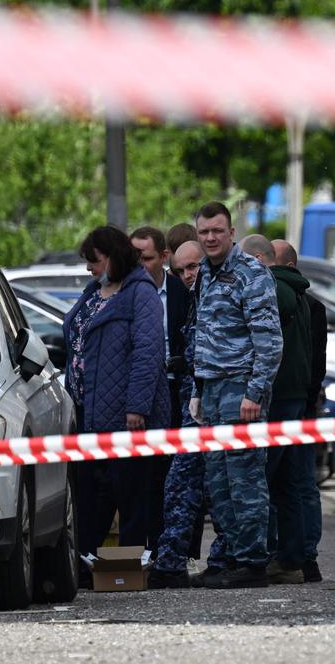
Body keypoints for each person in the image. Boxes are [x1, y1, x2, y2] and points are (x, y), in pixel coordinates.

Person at [63, 226, 170, 560]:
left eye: (93, 260)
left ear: (112, 257)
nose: (88, 268)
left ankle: (130, 566)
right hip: (89, 413)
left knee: (131, 493)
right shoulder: (94, 291)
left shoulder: (141, 293)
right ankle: (87, 564)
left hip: (127, 418)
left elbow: (148, 352)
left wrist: (136, 407)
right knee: (91, 495)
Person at [192, 202, 282, 589]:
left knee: (244, 478)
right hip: (211, 389)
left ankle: (251, 561)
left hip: (241, 389)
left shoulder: (250, 273)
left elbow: (270, 342)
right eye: (204, 232)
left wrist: (255, 393)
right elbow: (203, 334)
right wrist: (197, 391)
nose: (210, 238)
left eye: (217, 230)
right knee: (217, 481)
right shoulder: (205, 276)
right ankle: (230, 556)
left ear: (231, 233)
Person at [148, 239, 228, 589]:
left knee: (215, 485)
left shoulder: (220, 294)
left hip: (216, 404)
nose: (186, 276)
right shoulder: (195, 297)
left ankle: (222, 560)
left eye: (192, 267)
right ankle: (171, 562)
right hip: (193, 405)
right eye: (179, 271)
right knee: (184, 485)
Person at [239, 234, 311, 585]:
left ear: (257, 259)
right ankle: (294, 558)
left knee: (263, 478)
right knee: (290, 482)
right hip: (294, 394)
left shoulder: (271, 289)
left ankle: (267, 555)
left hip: (276, 395)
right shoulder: (298, 292)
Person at [129, 225, 191, 551]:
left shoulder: (182, 294)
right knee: (143, 479)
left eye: (147, 257)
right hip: (140, 396)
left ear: (164, 257)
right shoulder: (124, 296)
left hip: (177, 392)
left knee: (178, 476)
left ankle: (177, 552)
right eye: (134, 257)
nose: (140, 264)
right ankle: (143, 552)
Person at [272, 238, 327, 583]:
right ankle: (301, 554)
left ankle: (304, 554)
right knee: (296, 480)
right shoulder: (309, 304)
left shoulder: (302, 305)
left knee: (296, 480)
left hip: (294, 404)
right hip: (301, 403)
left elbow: (313, 362)